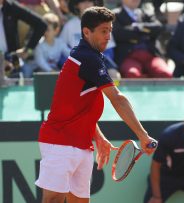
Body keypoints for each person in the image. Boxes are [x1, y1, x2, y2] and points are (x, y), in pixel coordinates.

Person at [35, 6, 157, 203]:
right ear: (86, 32)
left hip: (82, 144)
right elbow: (117, 98)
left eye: (110, 30)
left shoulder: (91, 57)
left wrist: (98, 137)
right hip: (59, 142)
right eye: (103, 31)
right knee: (53, 201)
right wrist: (143, 136)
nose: (108, 36)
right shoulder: (87, 58)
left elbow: (81, 107)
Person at [60, 0, 121, 79]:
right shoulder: (69, 26)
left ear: (95, 4)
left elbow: (109, 50)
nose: (87, 4)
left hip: (99, 62)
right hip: (76, 63)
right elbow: (61, 48)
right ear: (76, 5)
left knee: (114, 75)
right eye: (83, 1)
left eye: (90, 1)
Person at [112, 0, 173, 78]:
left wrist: (139, 27)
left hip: (151, 56)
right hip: (128, 56)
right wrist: (145, 32)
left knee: (165, 73)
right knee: (132, 74)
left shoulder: (146, 14)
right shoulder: (115, 14)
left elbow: (158, 28)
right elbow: (119, 33)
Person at [0, 0, 47, 78]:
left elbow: (41, 25)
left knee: (18, 83)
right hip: (3, 61)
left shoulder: (10, 6)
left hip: (12, 60)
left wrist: (28, 50)